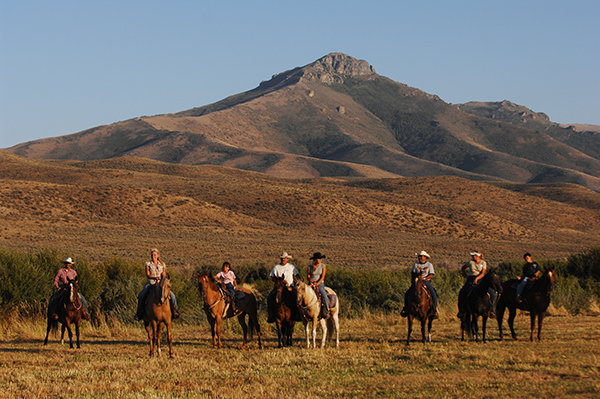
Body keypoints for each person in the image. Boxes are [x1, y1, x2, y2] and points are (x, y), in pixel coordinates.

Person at [134, 248, 180, 320]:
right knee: (141, 295)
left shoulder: (161, 265)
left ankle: (175, 311)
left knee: (172, 295)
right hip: (150, 283)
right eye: (152, 255)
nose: (153, 256)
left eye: (154, 255)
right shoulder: (148, 264)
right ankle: (139, 312)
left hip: (160, 284)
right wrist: (154, 278)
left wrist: (164, 280)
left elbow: (164, 276)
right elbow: (147, 274)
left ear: (157, 255)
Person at [457, 250, 497, 319]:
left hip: (481, 279)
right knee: (463, 292)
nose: (473, 257)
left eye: (474, 255)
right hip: (471, 278)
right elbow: (463, 268)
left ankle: (491, 310)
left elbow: (483, 273)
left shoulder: (483, 263)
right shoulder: (470, 262)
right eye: (472, 256)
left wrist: (477, 279)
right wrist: (466, 276)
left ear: (477, 256)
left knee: (491, 293)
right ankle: (462, 310)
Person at [400, 251, 438, 319]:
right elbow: (413, 273)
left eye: (421, 256)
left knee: (433, 294)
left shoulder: (429, 265)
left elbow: (431, 274)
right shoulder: (415, 265)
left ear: (425, 257)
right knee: (407, 294)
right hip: (417, 282)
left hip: (426, 282)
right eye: (419, 256)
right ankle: (406, 309)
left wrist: (425, 278)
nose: (420, 258)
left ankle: (434, 310)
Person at [266, 251, 302, 323]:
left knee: (297, 297)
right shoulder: (276, 267)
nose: (283, 259)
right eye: (282, 258)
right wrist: (278, 281)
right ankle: (271, 315)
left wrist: (299, 282)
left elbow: (297, 275)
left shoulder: (291, 267)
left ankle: (297, 314)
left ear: (287, 259)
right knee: (270, 297)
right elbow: (272, 277)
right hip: (279, 287)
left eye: (285, 258)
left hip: (290, 286)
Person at [307, 252, 330, 319]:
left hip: (320, 283)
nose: (319, 260)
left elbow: (323, 276)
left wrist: (318, 283)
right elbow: (308, 275)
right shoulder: (309, 266)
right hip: (311, 283)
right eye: (318, 259)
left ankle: (326, 309)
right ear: (314, 259)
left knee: (323, 294)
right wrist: (310, 279)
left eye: (320, 259)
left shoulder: (323, 266)